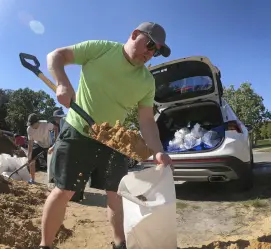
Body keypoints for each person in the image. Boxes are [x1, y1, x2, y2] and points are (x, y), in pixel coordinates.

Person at [39, 22, 173, 249]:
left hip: (114, 140)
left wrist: (158, 151)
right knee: (65, 191)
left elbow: (147, 121)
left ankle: (119, 243)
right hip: (78, 132)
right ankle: (45, 245)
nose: (150, 53)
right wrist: (62, 82)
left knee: (116, 194)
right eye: (149, 44)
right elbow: (56, 56)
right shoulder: (101, 49)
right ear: (134, 34)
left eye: (156, 51)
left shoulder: (146, 81)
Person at [26, 113, 57, 184]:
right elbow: (30, 144)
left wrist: (55, 140)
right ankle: (32, 179)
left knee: (50, 163)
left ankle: (53, 178)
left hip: (48, 144)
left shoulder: (45, 124)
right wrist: (29, 156)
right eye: (30, 124)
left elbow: (55, 128)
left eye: (32, 124)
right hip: (38, 144)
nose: (31, 126)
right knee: (31, 161)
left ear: (37, 122)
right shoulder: (29, 129)